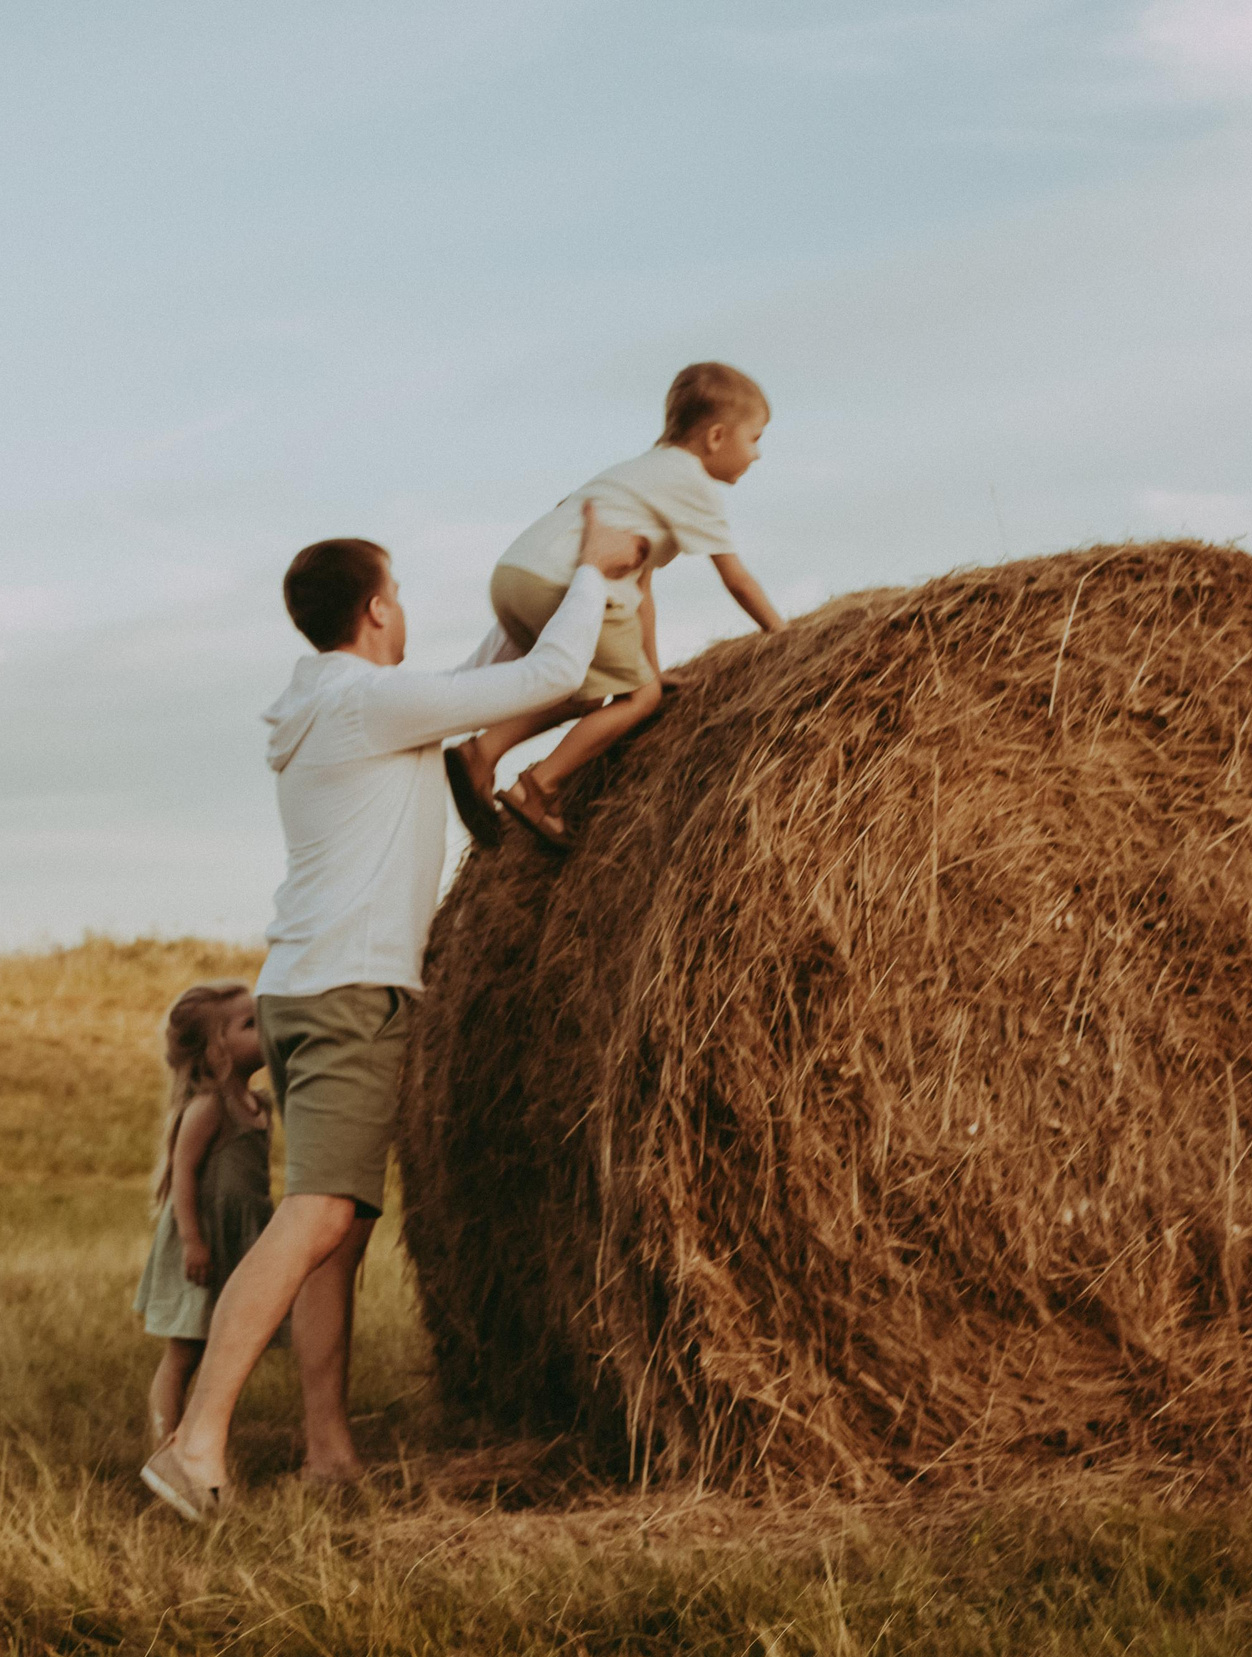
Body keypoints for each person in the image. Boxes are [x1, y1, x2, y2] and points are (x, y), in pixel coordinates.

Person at [139, 501, 647, 1523]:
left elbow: (473, 681)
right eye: (401, 595)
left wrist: (529, 596)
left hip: (310, 983)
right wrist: (592, 571)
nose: (407, 610)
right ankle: (194, 1445)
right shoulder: (365, 705)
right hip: (344, 991)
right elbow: (546, 679)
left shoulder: (339, 700)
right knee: (317, 1212)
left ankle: (329, 1452)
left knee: (341, 1227)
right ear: (376, 610)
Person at [444, 361, 787, 848]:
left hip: (517, 577)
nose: (757, 455)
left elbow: (641, 592)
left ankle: (483, 751)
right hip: (567, 583)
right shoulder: (691, 482)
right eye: (754, 439)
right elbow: (738, 580)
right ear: (716, 437)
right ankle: (539, 786)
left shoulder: (641, 473)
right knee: (639, 700)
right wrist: (788, 640)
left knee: (579, 689)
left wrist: (649, 665)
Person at [130, 979, 275, 1443]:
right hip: (206, 1243)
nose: (266, 1029)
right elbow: (183, 1175)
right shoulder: (209, 1108)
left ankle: (198, 1436)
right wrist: (193, 1240)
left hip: (239, 1241)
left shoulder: (258, 1104)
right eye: (251, 1024)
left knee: (222, 1345)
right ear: (216, 1051)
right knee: (184, 1351)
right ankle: (163, 1441)